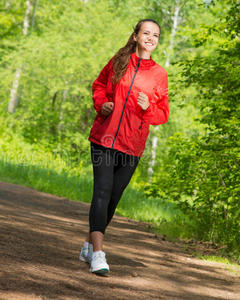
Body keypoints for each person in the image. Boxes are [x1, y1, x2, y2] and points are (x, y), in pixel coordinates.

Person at [79, 19, 169, 275]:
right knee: (102, 193)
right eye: (147, 33)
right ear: (136, 36)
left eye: (156, 35)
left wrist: (147, 107)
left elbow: (162, 114)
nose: (151, 38)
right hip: (104, 138)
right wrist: (102, 103)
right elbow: (98, 86)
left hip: (132, 146)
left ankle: (87, 245)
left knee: (113, 200)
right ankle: (98, 254)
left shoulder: (159, 74)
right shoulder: (119, 62)